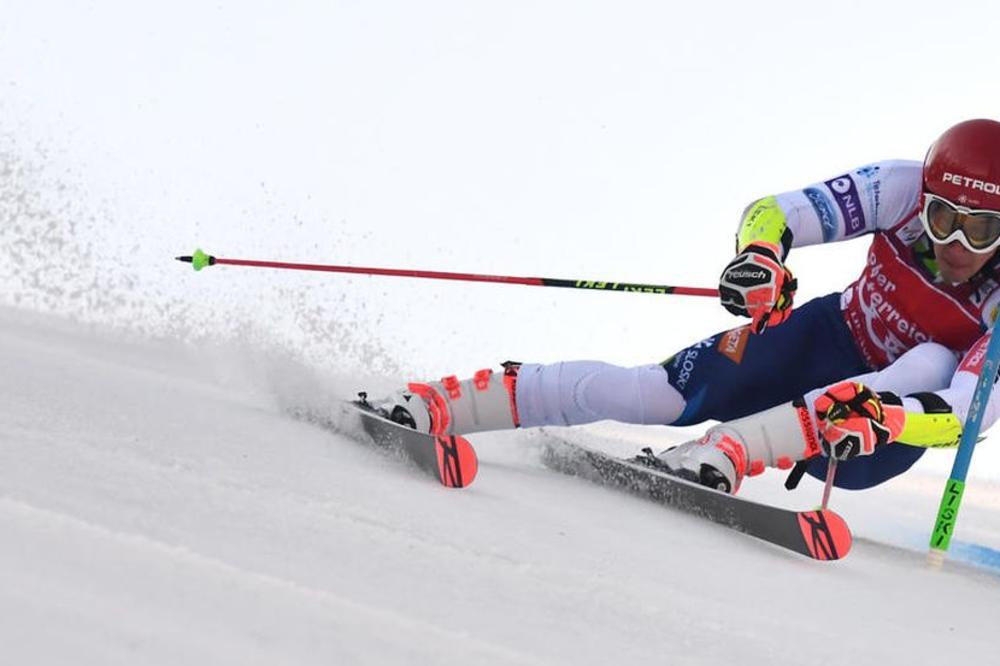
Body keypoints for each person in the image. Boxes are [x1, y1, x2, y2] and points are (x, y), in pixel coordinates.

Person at [373, 119, 1000, 494]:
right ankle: (448, 401)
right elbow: (777, 212)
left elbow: (968, 412)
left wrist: (891, 420)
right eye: (943, 219)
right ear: (926, 198)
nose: (955, 245)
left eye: (980, 232)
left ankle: (732, 450)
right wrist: (762, 259)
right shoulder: (900, 187)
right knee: (657, 394)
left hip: (875, 435)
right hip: (820, 338)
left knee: (927, 359)